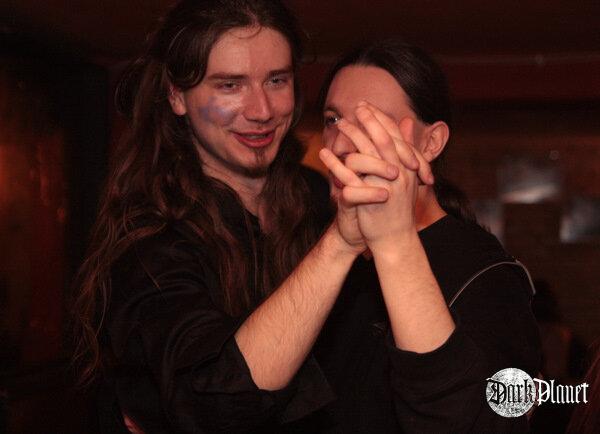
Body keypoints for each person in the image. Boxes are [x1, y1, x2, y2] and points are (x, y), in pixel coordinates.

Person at [73, 0, 398, 432]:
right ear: (176, 95)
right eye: (230, 85)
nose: (262, 110)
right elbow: (216, 402)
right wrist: (339, 245)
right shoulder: (149, 238)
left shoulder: (316, 198)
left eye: (277, 80)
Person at [302, 40, 541, 433]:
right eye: (333, 119)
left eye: (371, 121)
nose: (342, 144)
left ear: (430, 143)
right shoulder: (319, 252)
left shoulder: (486, 276)